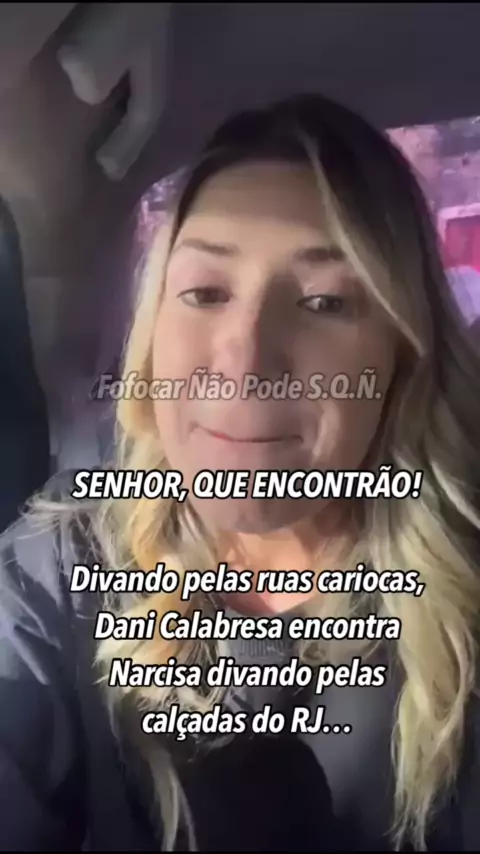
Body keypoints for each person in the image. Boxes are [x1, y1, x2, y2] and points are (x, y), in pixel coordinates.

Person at [1, 92, 480, 851]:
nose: (247, 360)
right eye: (205, 293)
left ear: (402, 356)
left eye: (324, 302)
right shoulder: (60, 562)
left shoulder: (463, 590)